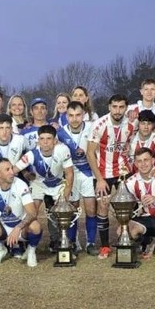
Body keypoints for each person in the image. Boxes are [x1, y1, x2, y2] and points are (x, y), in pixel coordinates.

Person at [86, 94, 136, 258]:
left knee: (130, 206)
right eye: (114, 107)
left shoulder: (130, 125)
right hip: (103, 173)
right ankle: (105, 246)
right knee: (103, 206)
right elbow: (90, 152)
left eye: (121, 107)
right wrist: (99, 179)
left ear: (126, 108)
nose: (117, 110)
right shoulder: (99, 124)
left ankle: (131, 240)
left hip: (123, 171)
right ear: (109, 107)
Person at [13, 125, 75, 250]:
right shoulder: (31, 154)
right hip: (38, 184)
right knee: (31, 213)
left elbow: (69, 173)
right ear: (38, 141)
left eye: (48, 138)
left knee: (64, 212)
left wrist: (65, 198)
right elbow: (13, 170)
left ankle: (65, 242)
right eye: (42, 139)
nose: (45, 142)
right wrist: (23, 174)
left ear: (55, 141)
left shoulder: (63, 150)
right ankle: (25, 242)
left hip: (58, 185)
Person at [0, 158, 42, 267]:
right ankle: (0, 249)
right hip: (3, 228)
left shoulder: (21, 185)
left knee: (36, 226)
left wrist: (18, 228)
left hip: (21, 228)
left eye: (11, 168)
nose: (12, 172)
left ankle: (30, 251)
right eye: (7, 170)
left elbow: (32, 213)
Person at [56, 101, 99, 254]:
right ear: (66, 116)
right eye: (71, 115)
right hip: (71, 174)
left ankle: (91, 242)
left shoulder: (92, 127)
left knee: (91, 208)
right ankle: (73, 242)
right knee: (72, 208)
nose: (74, 119)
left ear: (83, 115)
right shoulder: (60, 133)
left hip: (88, 172)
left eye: (78, 115)